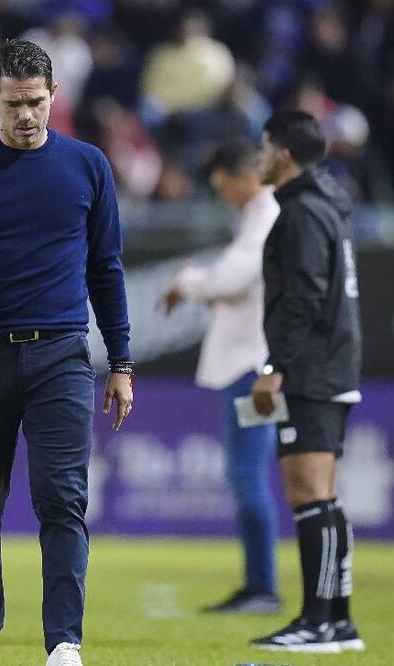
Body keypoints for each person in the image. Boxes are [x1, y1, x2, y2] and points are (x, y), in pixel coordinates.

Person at [0, 38, 134, 666]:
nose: (26, 115)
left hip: (62, 356)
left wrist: (121, 362)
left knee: (62, 500)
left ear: (54, 96)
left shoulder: (88, 165)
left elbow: (106, 268)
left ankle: (64, 644)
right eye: (14, 103)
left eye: (36, 102)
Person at [249, 110, 365, 653]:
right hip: (330, 364)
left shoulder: (301, 214)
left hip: (312, 369)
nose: (258, 157)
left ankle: (316, 621)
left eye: (263, 148)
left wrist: (276, 366)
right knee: (324, 496)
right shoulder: (325, 206)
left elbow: (305, 297)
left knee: (309, 493)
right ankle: (337, 620)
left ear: (283, 154)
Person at [159, 138, 282, 614]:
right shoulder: (256, 218)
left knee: (248, 474)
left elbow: (230, 280)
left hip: (253, 369)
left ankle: (263, 587)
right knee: (245, 474)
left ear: (246, 177)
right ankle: (256, 584)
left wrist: (187, 280)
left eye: (224, 185)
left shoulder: (266, 216)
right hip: (247, 367)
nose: (222, 195)